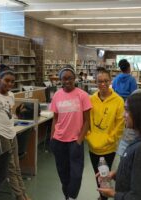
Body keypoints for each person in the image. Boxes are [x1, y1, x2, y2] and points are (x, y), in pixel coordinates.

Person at [98, 92, 141, 200]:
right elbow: (138, 175)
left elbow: (139, 197)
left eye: (127, 110)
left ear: (140, 114)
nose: (123, 115)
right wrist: (116, 174)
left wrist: (113, 194)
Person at [0, 64, 31, 200]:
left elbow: (8, 113)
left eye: (12, 81)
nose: (9, 84)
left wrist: (16, 114)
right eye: (6, 80)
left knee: (16, 167)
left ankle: (22, 193)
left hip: (12, 132)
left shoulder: (11, 95)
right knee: (10, 168)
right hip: (0, 134)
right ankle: (20, 196)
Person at [50, 65, 92, 200]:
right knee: (63, 173)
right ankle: (67, 196)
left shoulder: (83, 95)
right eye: (64, 79)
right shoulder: (57, 95)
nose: (67, 81)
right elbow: (55, 118)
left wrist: (79, 140)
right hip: (59, 140)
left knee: (76, 174)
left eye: (70, 78)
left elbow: (87, 121)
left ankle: (71, 196)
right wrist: (52, 138)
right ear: (60, 80)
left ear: (75, 79)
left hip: (75, 141)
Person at [85, 68, 124, 200]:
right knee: (97, 174)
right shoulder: (90, 99)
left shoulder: (118, 101)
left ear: (110, 81)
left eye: (106, 81)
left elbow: (119, 126)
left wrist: (109, 139)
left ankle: (104, 197)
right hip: (93, 146)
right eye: (99, 81)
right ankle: (102, 195)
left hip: (108, 147)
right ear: (95, 82)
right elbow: (86, 121)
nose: (103, 84)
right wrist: (88, 136)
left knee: (105, 175)